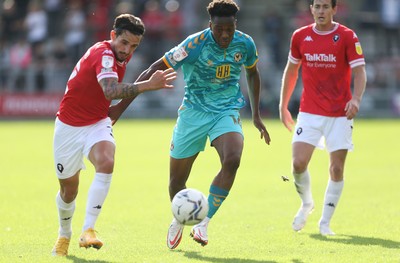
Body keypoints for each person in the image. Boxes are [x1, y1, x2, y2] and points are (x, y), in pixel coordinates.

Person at [109, 0, 271, 249]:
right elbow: (154, 69)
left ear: (235, 24)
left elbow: (252, 72)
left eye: (229, 29)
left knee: (232, 159)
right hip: (193, 113)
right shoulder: (194, 44)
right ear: (210, 25)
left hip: (226, 110)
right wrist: (119, 107)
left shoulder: (245, 43)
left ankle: (203, 223)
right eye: (219, 30)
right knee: (176, 182)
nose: (225, 35)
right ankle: (179, 218)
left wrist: (256, 114)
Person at [51, 14, 177, 256]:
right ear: (112, 36)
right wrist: (147, 85)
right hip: (68, 126)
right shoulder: (104, 54)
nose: (128, 50)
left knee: (107, 161)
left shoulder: (119, 55)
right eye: (124, 43)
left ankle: (88, 229)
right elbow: (110, 90)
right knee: (69, 190)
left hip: (97, 122)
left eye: (134, 46)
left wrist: (117, 110)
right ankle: (64, 233)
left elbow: (110, 94)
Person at [279, 0, 367, 236]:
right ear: (311, 9)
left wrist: (356, 99)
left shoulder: (347, 36)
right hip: (309, 112)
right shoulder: (300, 36)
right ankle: (307, 203)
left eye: (326, 7)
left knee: (336, 169)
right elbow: (291, 71)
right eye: (317, 6)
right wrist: (283, 104)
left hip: (340, 114)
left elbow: (360, 72)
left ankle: (325, 223)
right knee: (298, 164)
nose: (321, 11)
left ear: (334, 10)